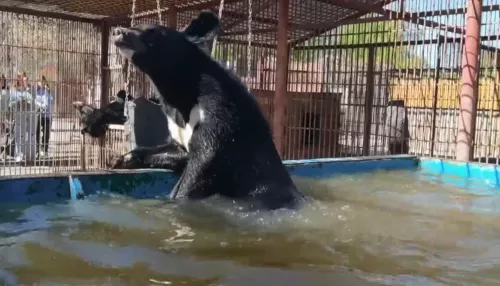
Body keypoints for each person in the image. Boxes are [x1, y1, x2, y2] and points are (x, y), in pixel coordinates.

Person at [35, 77, 53, 158]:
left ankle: (45, 149)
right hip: (39, 115)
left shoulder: (48, 92)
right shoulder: (36, 92)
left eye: (42, 81)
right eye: (39, 81)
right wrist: (40, 105)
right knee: (37, 133)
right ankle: (37, 150)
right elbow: (35, 101)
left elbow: (51, 101)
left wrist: (47, 93)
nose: (41, 83)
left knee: (46, 134)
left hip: (47, 116)